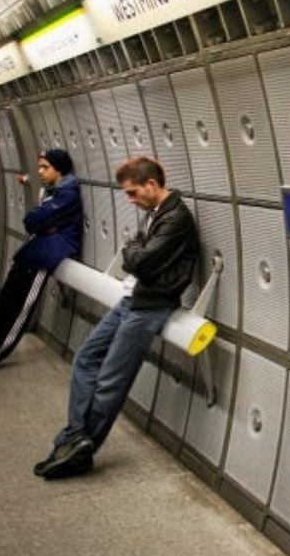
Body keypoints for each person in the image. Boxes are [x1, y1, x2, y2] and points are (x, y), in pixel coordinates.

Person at [34, 156, 199, 480]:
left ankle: (79, 450)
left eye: (133, 193)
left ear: (151, 184)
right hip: (132, 299)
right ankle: (76, 438)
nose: (130, 199)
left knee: (111, 379)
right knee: (85, 358)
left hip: (151, 306)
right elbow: (134, 252)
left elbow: (142, 260)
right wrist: (133, 251)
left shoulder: (176, 218)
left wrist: (133, 251)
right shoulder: (155, 214)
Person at [0, 149, 82, 373]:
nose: (40, 171)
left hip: (44, 258)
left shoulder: (68, 195)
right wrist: (42, 221)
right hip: (32, 254)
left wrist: (41, 220)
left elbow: (33, 220)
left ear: (60, 169)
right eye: (39, 166)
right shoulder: (53, 192)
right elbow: (35, 221)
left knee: (17, 312)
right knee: (4, 306)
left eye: (45, 167)